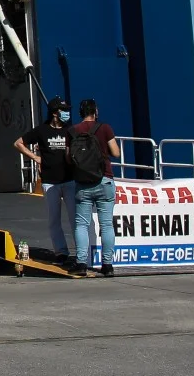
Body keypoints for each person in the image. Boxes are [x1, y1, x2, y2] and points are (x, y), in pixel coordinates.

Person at [14, 99, 77, 265]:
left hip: (70, 180)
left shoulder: (70, 130)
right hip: (50, 182)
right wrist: (35, 158)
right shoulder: (41, 130)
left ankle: (82, 253)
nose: (67, 113)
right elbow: (18, 143)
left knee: (75, 218)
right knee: (54, 219)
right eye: (63, 110)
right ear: (55, 113)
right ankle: (61, 252)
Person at [67, 99, 122, 277]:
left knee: (82, 224)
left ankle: (81, 263)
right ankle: (107, 265)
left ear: (80, 113)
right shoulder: (105, 128)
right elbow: (116, 153)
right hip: (104, 180)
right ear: (95, 112)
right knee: (106, 225)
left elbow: (68, 158)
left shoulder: (72, 131)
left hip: (83, 183)